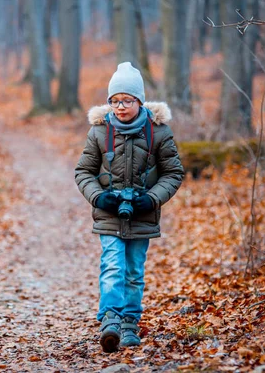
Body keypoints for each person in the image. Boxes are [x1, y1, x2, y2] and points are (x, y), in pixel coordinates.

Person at [74, 62, 184, 353]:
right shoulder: (99, 132)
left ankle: (130, 324)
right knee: (112, 265)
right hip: (109, 214)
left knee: (134, 271)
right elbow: (83, 172)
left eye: (126, 100)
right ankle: (110, 319)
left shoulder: (158, 133)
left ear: (140, 100)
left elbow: (174, 173)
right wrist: (99, 197)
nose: (120, 106)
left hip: (143, 215)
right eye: (114, 100)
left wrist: (151, 199)